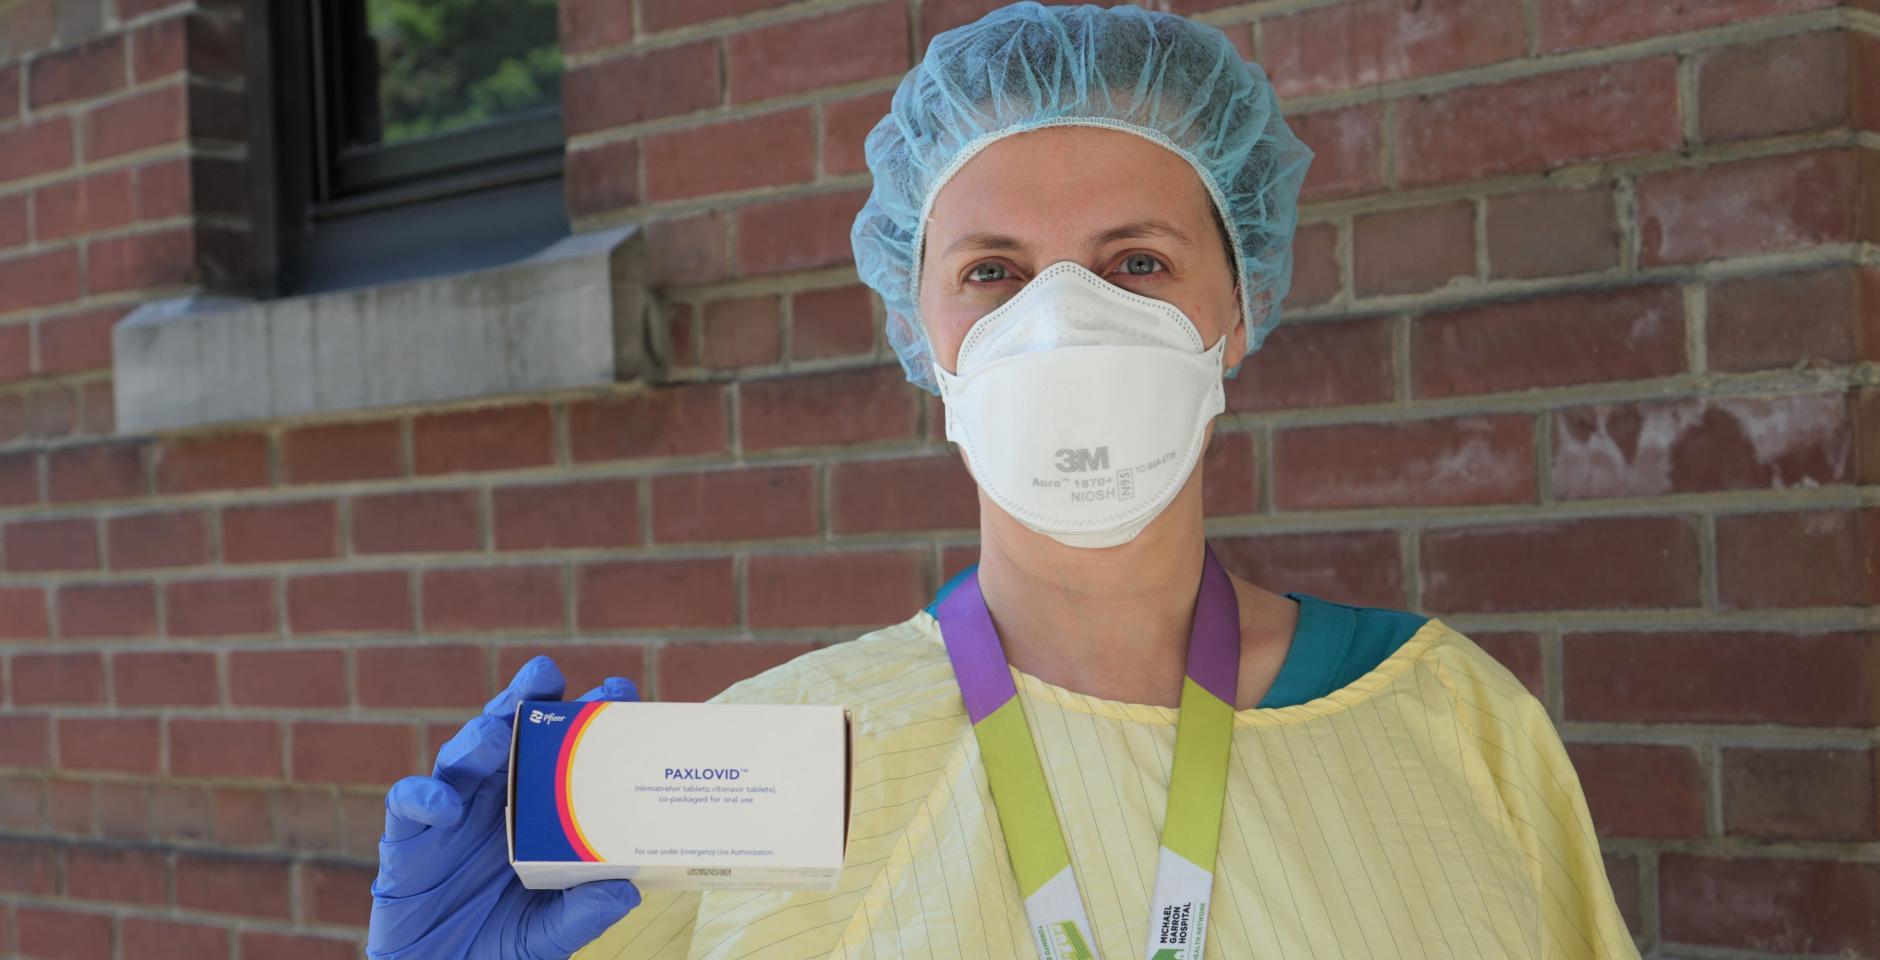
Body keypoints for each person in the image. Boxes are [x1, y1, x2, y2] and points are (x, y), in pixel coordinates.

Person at [366, 4, 1640, 958]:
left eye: (1135, 262)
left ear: (1238, 307)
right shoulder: (777, 770)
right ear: (923, 340)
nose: (1065, 321)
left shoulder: (1452, 728)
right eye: (992, 271)